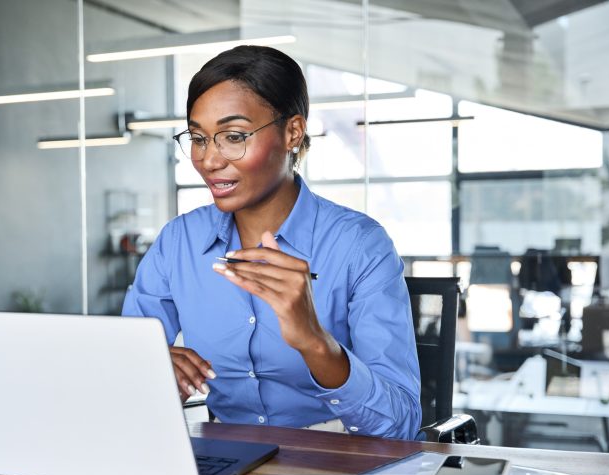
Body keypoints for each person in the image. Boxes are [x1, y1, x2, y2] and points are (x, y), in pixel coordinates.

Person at [122, 45, 421, 439]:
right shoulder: (177, 242)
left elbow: (400, 426)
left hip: (334, 459)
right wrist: (150, 370)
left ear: (292, 132)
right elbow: (122, 373)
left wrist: (316, 343)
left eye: (232, 136)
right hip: (224, 461)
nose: (209, 160)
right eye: (198, 138)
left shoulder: (360, 246)